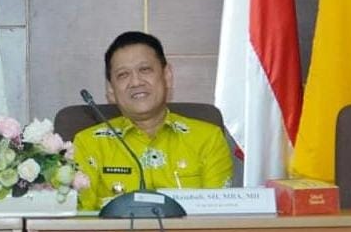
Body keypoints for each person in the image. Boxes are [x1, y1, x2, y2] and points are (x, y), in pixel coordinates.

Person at [73, 31, 233, 210]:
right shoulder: (87, 144)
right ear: (110, 89)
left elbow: (218, 215)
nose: (136, 82)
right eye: (123, 75)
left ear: (167, 76)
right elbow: (81, 218)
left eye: (145, 70)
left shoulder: (208, 139)